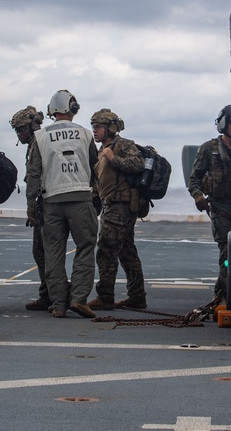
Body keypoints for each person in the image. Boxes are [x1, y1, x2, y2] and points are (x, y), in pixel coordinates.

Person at [26, 90, 99, 319]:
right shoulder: (86, 134)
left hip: (51, 202)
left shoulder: (40, 136)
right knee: (85, 247)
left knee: (53, 254)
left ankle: (58, 304)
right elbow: (96, 168)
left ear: (51, 111)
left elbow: (33, 173)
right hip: (80, 199)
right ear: (73, 109)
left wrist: (30, 204)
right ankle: (78, 299)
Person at [188, 104, 231, 304]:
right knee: (228, 252)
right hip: (221, 208)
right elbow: (194, 179)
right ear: (224, 124)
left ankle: (220, 293)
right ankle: (229, 297)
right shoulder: (208, 150)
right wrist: (198, 196)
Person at [87, 109, 147, 311]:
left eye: (98, 127)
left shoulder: (122, 146)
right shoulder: (101, 150)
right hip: (109, 205)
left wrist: (114, 159)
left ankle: (105, 296)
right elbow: (99, 183)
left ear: (111, 128)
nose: (94, 131)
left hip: (121, 206)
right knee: (126, 251)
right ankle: (137, 296)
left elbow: (138, 164)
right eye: (93, 127)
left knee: (106, 250)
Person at [10, 105, 55, 311]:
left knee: (43, 251)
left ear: (33, 126)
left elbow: (34, 176)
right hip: (49, 201)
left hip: (46, 203)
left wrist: (31, 206)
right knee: (43, 251)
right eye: (17, 130)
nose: (20, 134)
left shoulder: (39, 142)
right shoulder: (44, 140)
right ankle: (50, 293)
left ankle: (53, 294)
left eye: (22, 129)